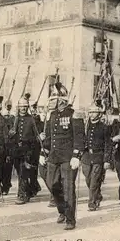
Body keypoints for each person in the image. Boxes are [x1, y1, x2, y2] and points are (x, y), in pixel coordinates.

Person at [39, 82, 84, 230]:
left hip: (68, 158)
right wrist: (43, 152)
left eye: (54, 99)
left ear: (62, 100)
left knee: (68, 188)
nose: (51, 102)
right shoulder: (52, 115)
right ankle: (62, 210)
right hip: (53, 157)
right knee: (53, 184)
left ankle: (70, 219)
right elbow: (49, 138)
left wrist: (77, 155)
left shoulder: (74, 114)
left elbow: (79, 137)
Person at [81, 102, 111, 211]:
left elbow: (108, 144)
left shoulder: (104, 127)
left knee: (94, 181)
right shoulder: (85, 126)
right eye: (90, 112)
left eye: (94, 112)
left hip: (98, 156)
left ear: (99, 114)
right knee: (89, 180)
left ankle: (92, 203)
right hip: (86, 156)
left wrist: (107, 159)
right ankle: (97, 195)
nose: (91, 114)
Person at [9, 96, 39, 205]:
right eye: (21, 106)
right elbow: (8, 135)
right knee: (20, 173)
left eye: (25, 107)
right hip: (16, 150)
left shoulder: (32, 119)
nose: (23, 109)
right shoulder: (13, 119)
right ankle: (30, 189)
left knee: (23, 173)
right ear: (18, 107)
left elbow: (36, 135)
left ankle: (21, 195)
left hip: (28, 150)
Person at [1, 100, 15, 195]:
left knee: (8, 167)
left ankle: (6, 186)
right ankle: (2, 185)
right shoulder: (1, 117)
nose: (8, 107)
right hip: (2, 145)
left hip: (10, 145)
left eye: (10, 105)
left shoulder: (13, 117)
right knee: (1, 167)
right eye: (7, 105)